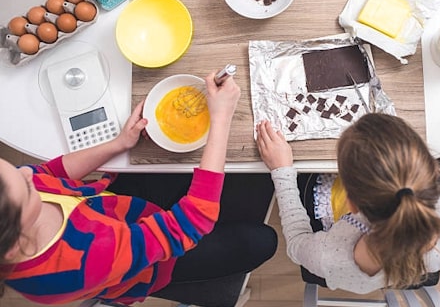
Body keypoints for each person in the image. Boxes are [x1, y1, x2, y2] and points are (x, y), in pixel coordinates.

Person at [0, 71, 277, 306]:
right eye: (26, 189)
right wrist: (222, 118)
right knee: (261, 241)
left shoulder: (17, 193)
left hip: (117, 207)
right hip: (154, 265)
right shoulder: (82, 263)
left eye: (13, 169)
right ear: (12, 247)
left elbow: (49, 173)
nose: (27, 172)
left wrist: (118, 144)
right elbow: (193, 221)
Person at [256, 113, 440, 294]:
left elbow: (296, 244)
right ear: (432, 172)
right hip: (412, 273)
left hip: (343, 271)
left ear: (351, 205)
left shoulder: (327, 255)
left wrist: (282, 171)